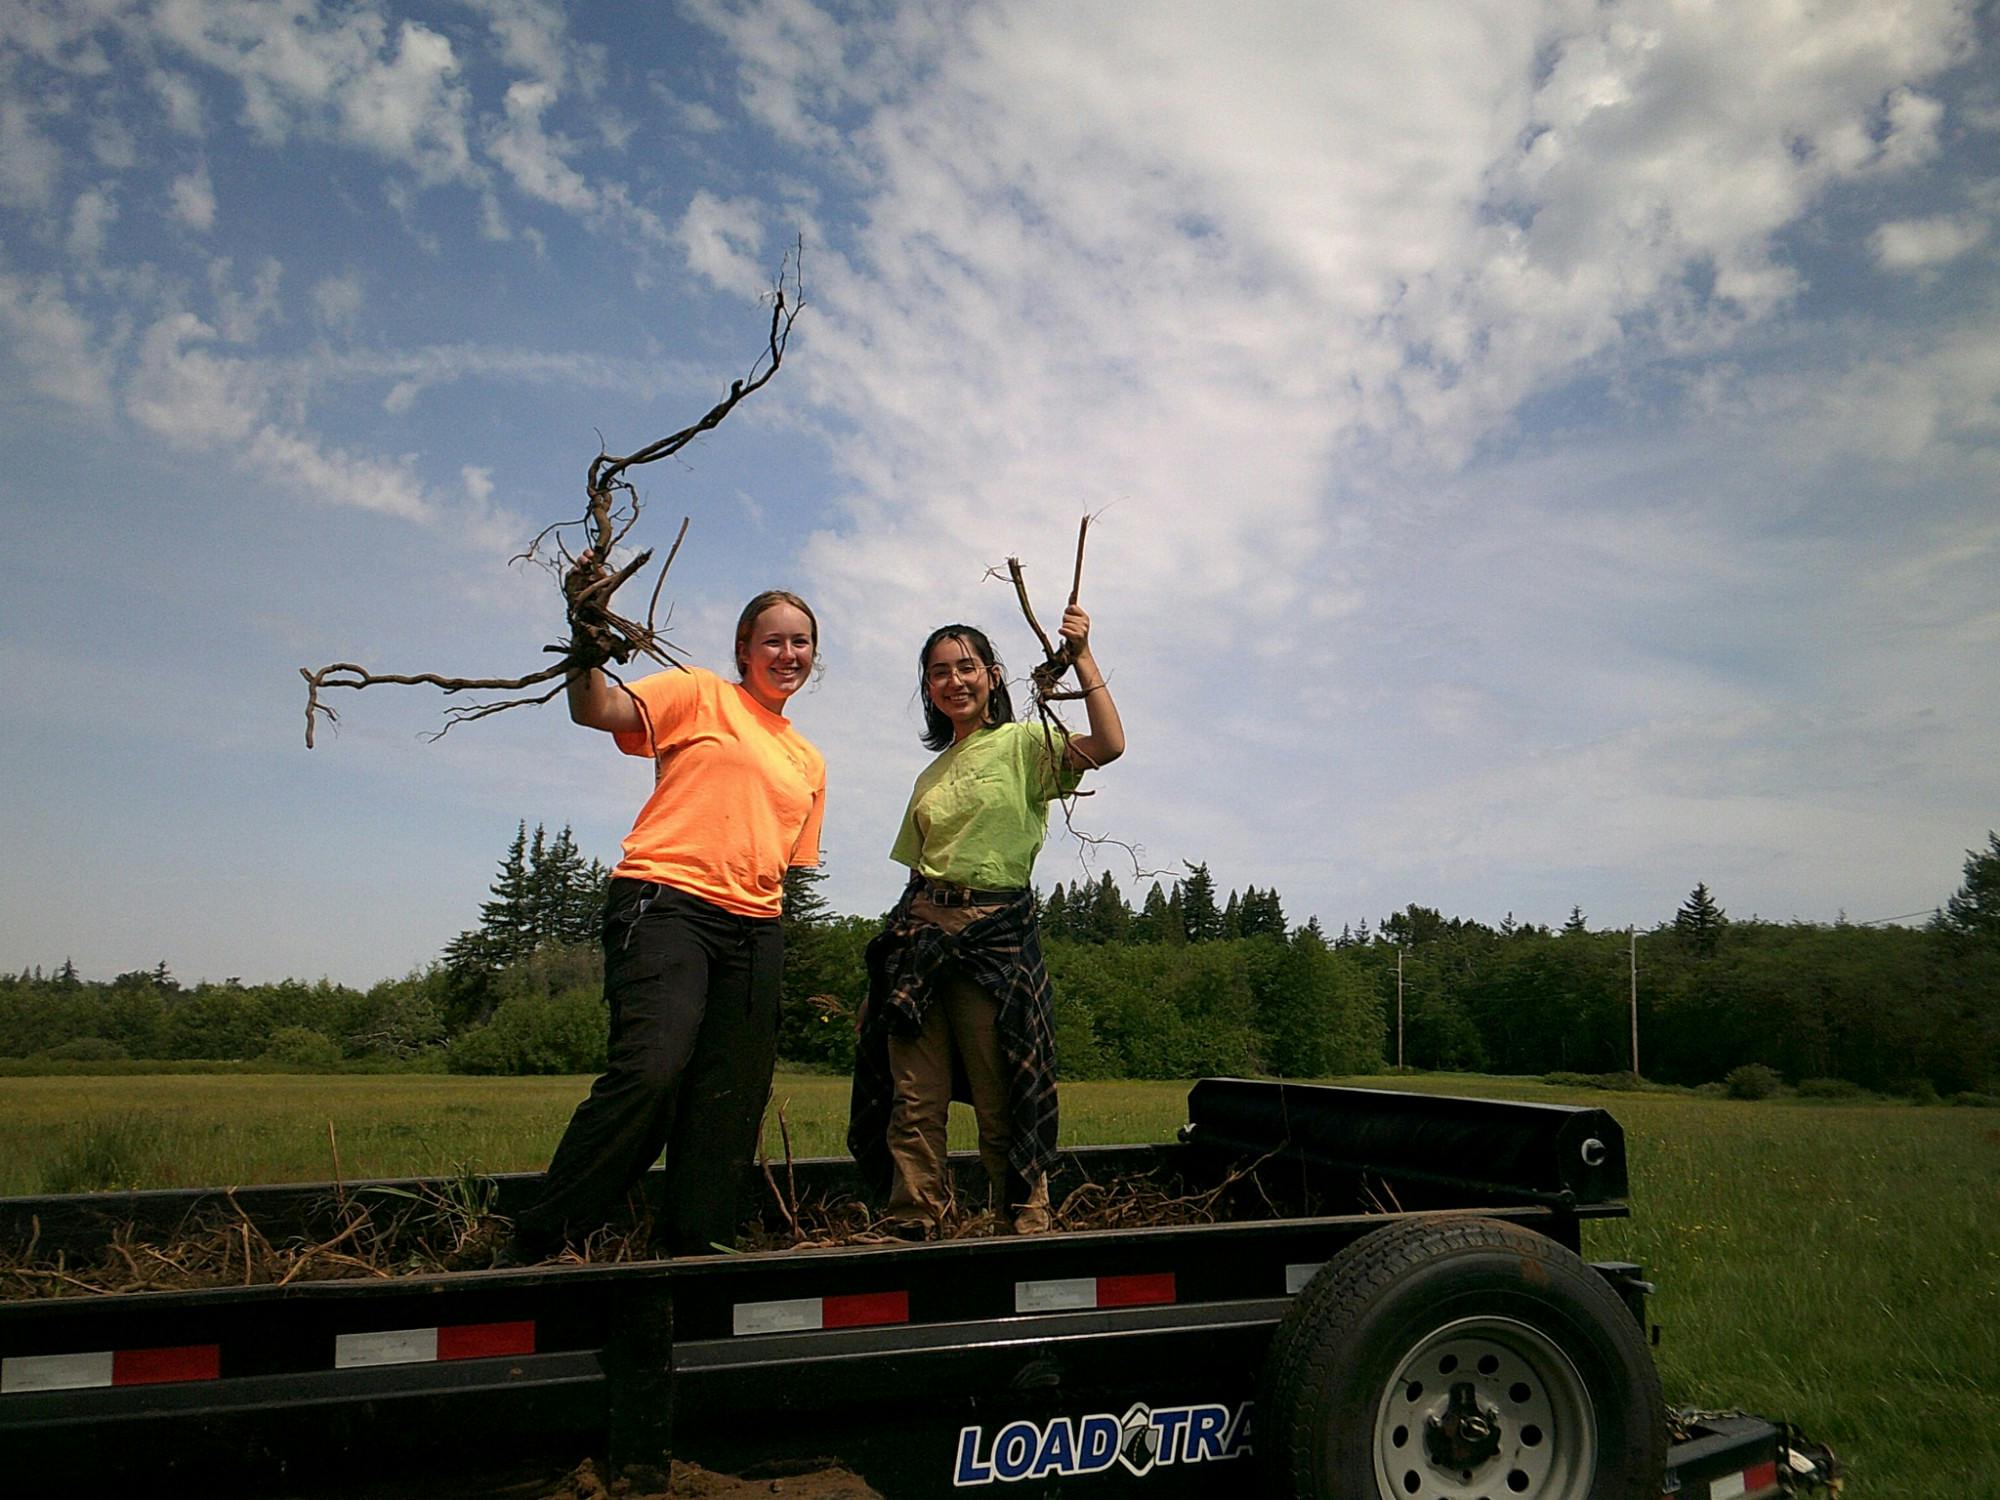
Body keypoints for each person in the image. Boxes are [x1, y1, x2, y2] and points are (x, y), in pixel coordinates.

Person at [511, 587, 826, 1259]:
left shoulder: (809, 761)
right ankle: (542, 1243)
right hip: (666, 903)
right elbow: (595, 708)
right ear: (744, 650)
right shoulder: (700, 693)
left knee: (730, 1096)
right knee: (651, 1070)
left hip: (755, 928)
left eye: (800, 642)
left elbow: (781, 864)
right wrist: (587, 636)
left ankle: (696, 1248)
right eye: (773, 640)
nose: (787, 653)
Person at [848, 607, 1125, 1237]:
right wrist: (878, 983)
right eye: (939, 672)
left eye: (966, 667)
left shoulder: (1024, 744)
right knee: (913, 1099)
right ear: (927, 688)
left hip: (993, 941)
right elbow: (916, 878)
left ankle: (1024, 1219)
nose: (954, 681)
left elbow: (1108, 745)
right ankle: (914, 1218)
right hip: (919, 945)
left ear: (993, 676)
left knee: (1004, 1093)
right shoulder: (928, 775)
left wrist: (1081, 654)